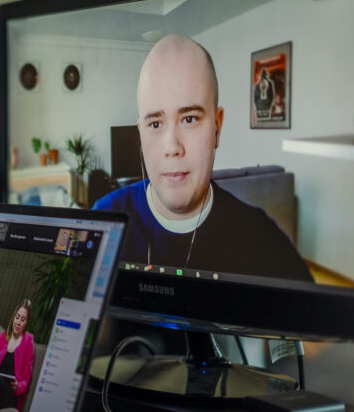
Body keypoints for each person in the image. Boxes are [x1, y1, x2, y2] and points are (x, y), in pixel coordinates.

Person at [93, 34, 311, 282]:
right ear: (141, 134)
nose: (172, 147)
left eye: (189, 119)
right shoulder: (105, 220)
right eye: (155, 123)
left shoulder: (261, 239)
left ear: (217, 126)